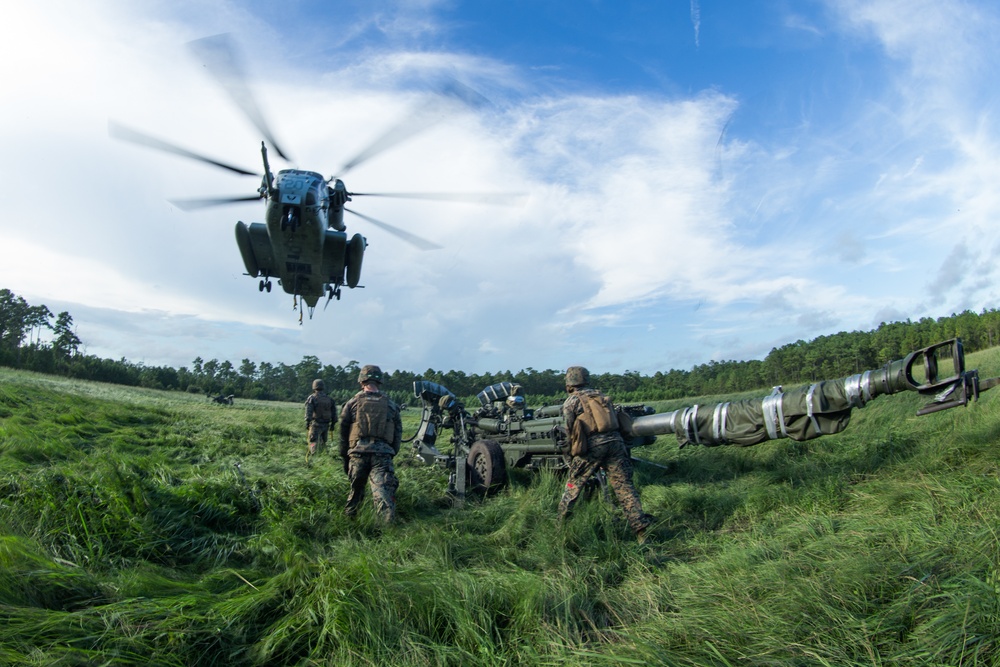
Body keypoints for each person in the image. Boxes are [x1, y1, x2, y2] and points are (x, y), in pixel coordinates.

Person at [558, 366, 653, 541]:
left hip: (593, 447)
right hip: (616, 444)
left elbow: (568, 431)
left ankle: (560, 529)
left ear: (569, 383)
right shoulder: (602, 396)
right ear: (586, 379)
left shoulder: (571, 401)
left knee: (573, 487)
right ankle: (642, 532)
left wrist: (569, 457)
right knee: (625, 488)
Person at [338, 365, 403, 522]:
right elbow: (397, 433)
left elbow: (343, 430)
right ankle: (386, 532)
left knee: (355, 492)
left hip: (358, 453)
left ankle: (349, 524)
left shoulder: (352, 402)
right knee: (383, 496)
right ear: (379, 381)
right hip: (383, 455)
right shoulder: (391, 405)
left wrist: (344, 455)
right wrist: (391, 451)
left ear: (361, 380)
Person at [305, 379, 337, 464]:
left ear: (314, 387)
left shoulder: (312, 398)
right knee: (323, 441)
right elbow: (334, 412)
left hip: (316, 424)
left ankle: (314, 458)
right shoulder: (329, 399)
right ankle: (323, 458)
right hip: (326, 424)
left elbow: (309, 412)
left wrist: (307, 422)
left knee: (313, 441)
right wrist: (333, 424)